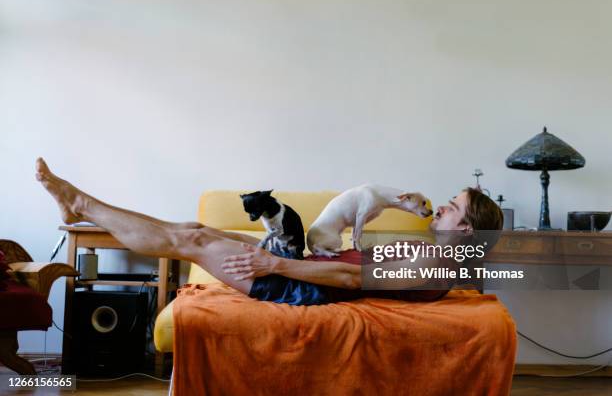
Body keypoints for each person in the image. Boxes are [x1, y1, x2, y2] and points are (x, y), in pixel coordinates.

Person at [35, 157, 502, 305]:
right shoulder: (432, 252)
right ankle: (80, 205)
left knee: (189, 241)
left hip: (296, 282)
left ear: (466, 228)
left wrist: (275, 262)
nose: (440, 207)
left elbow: (348, 281)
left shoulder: (436, 262)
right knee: (195, 228)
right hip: (307, 265)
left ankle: (79, 203)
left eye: (452, 207)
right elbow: (350, 263)